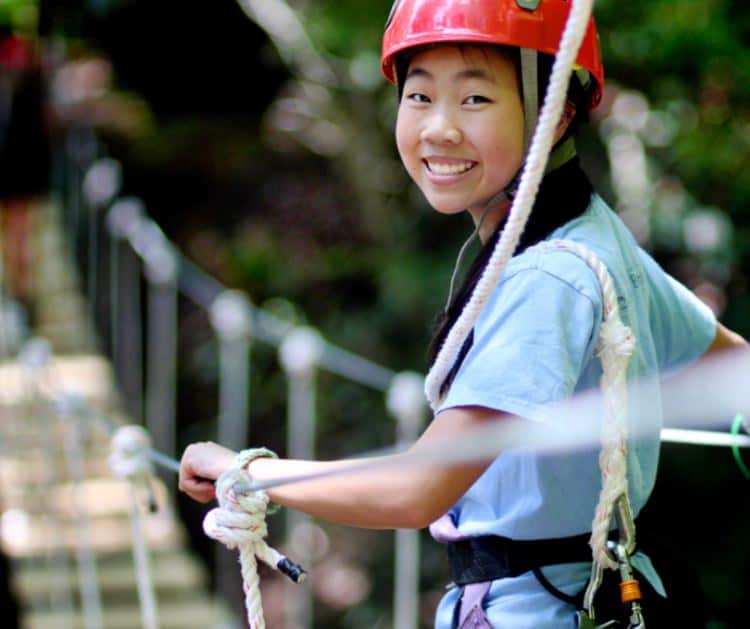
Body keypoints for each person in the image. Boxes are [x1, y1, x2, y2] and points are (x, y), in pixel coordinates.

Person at [179, 1, 748, 627]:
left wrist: (251, 473)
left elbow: (416, 488)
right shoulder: (595, 237)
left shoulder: (548, 277)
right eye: (419, 97)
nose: (439, 129)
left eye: (475, 99)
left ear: (555, 112)